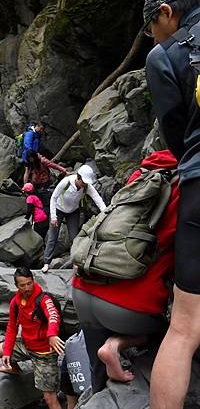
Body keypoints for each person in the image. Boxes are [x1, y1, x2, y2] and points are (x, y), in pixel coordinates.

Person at [71, 150, 178, 394]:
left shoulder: (142, 174)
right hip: (128, 307)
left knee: (96, 378)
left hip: (82, 289)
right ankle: (117, 344)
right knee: (173, 332)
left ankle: (94, 407)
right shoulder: (185, 186)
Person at [143, 0, 200, 409]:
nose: (153, 36)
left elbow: (176, 134)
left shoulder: (167, 55)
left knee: (183, 328)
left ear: (167, 12)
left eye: (151, 26)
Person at [0, 267, 65, 409]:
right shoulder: (16, 302)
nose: (26, 288)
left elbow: (53, 316)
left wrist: (52, 335)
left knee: (49, 398)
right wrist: (7, 353)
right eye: (22, 285)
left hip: (44, 352)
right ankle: (15, 370)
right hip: (27, 345)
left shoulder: (44, 300)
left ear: (33, 280)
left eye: (29, 283)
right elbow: (12, 327)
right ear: (16, 286)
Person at [41, 165, 106, 273]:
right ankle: (46, 263)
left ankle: (75, 262)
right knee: (53, 237)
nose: (84, 184)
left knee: (74, 238)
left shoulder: (87, 187)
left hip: (73, 212)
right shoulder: (66, 182)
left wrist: (105, 211)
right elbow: (53, 197)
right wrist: (53, 217)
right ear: (78, 177)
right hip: (58, 210)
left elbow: (97, 198)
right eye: (83, 182)